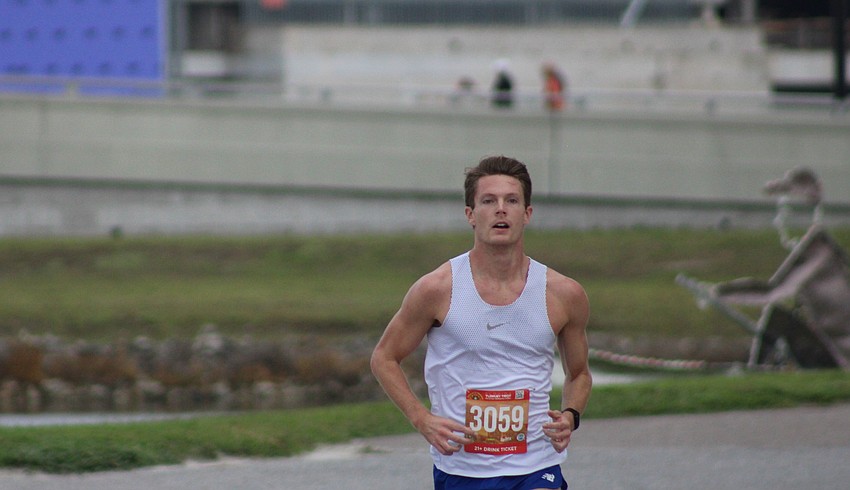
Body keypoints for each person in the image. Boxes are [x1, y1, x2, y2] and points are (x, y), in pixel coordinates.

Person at [371, 155, 592, 489]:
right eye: (489, 201)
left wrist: (570, 415)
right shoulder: (437, 288)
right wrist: (422, 419)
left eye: (512, 201)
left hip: (536, 465)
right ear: (470, 215)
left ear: (527, 214)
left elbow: (579, 374)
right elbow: (384, 358)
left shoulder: (564, 293)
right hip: (462, 470)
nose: (500, 209)